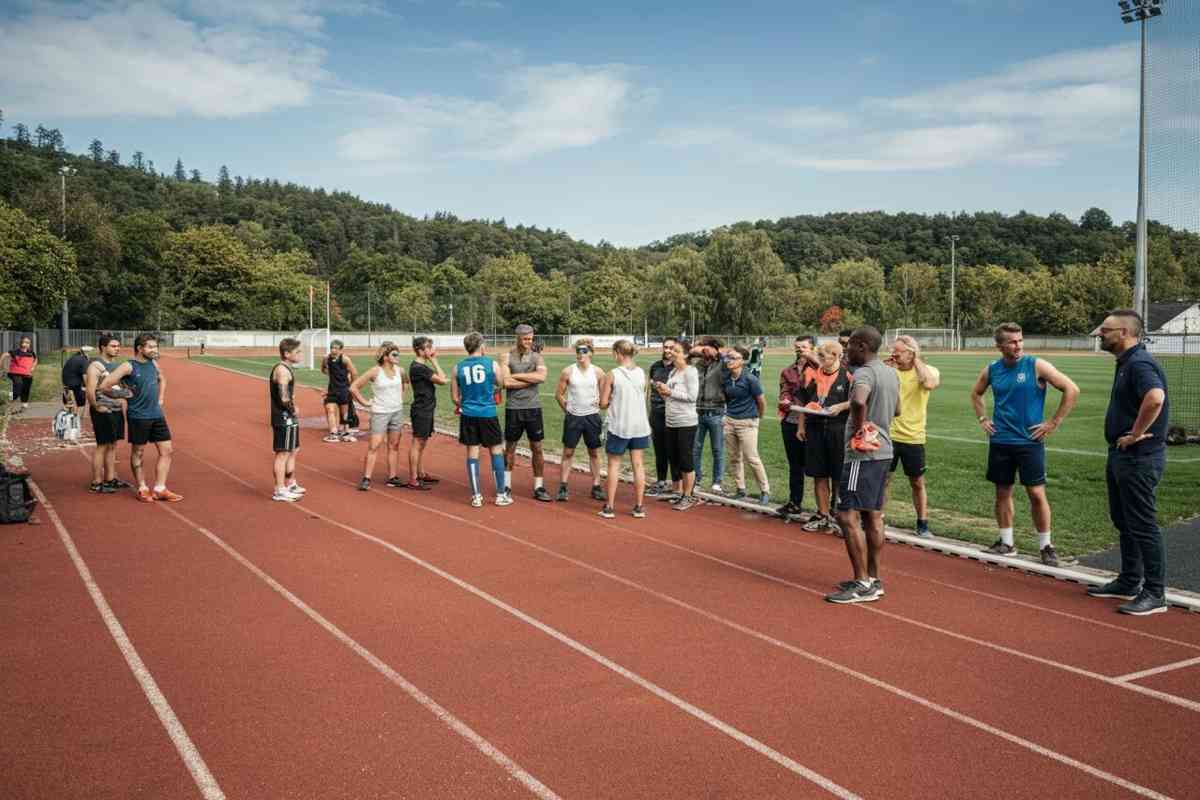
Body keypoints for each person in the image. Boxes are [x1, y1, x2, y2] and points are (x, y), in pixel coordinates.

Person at [970, 322, 1079, 567]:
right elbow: (976, 393)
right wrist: (983, 418)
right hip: (1000, 441)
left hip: (1029, 442)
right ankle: (1006, 543)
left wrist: (1053, 422)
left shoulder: (1036, 365)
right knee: (1002, 492)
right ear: (999, 345)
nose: (1018, 345)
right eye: (1012, 342)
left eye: (1020, 340)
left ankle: (1046, 546)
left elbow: (1071, 389)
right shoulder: (992, 370)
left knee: (1036, 493)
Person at [1090, 310, 1171, 615]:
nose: (1100, 334)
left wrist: (1136, 433)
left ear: (1124, 332)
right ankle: (1129, 580)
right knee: (1124, 521)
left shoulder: (1139, 363)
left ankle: (1154, 592)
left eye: (1106, 330)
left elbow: (1155, 397)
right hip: (1121, 456)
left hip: (1139, 458)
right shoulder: (1126, 362)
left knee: (1142, 524)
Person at [825, 326, 900, 604]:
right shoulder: (891, 373)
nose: (846, 351)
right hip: (884, 452)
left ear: (862, 345)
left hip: (862, 455)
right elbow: (898, 410)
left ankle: (862, 583)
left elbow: (857, 401)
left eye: (850, 346)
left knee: (846, 515)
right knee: (873, 515)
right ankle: (874, 579)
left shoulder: (864, 373)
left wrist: (860, 431)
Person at [99, 333, 182, 503]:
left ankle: (160, 488)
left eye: (156, 347)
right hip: (138, 416)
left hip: (157, 415)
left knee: (167, 451)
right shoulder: (128, 366)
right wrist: (122, 394)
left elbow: (162, 379)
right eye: (151, 347)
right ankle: (142, 487)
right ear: (140, 348)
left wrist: (161, 398)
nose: (154, 350)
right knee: (139, 452)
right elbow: (104, 386)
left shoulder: (153, 363)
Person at [884, 335, 941, 538]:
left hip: (913, 437)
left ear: (911, 353)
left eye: (898, 352)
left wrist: (916, 360)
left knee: (917, 482)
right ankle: (878, 518)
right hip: (888, 434)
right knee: (884, 480)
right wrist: (886, 369)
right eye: (893, 351)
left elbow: (930, 384)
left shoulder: (928, 371)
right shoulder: (890, 371)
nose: (894, 355)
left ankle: (922, 524)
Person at [452, 332, 511, 507]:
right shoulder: (491, 364)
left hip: (469, 414)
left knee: (472, 453)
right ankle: (500, 494)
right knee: (496, 451)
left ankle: (476, 496)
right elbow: (502, 383)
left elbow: (455, 398)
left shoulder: (458, 367)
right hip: (488, 413)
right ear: (481, 346)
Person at [798, 342, 852, 533]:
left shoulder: (848, 375)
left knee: (838, 475)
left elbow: (859, 400)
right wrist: (801, 425)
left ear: (836, 355)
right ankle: (822, 515)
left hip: (838, 430)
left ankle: (838, 516)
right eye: (819, 357)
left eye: (824, 357)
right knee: (818, 475)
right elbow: (806, 401)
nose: (820, 361)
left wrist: (841, 406)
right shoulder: (813, 374)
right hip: (815, 429)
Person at [598, 339, 652, 518]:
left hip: (620, 424)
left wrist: (611, 399)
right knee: (638, 465)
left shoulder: (612, 374)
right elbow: (644, 398)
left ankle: (610, 506)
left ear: (618, 354)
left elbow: (603, 402)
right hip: (639, 425)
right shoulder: (641, 373)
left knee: (614, 464)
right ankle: (638, 506)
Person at [554, 337, 606, 502]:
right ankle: (563, 486)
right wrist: (567, 410)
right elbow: (559, 394)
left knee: (594, 452)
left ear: (591, 353)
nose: (580, 354)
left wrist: (603, 402)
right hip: (574, 418)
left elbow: (606, 395)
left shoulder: (598, 372)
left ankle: (596, 486)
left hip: (592, 417)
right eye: (578, 351)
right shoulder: (568, 371)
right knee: (568, 452)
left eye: (584, 351)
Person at [504, 324, 551, 501]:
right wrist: (530, 380)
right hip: (513, 408)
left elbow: (542, 377)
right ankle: (506, 485)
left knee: (537, 448)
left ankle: (538, 487)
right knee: (510, 448)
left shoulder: (537, 357)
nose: (528, 342)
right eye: (525, 339)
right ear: (517, 337)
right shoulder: (506, 356)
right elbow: (505, 382)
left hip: (533, 408)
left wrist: (515, 376)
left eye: (531, 339)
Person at [350, 342, 407, 491]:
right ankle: (366, 478)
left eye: (398, 354)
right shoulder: (375, 371)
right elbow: (354, 387)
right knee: (374, 446)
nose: (398, 357)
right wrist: (364, 403)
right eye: (394, 354)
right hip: (380, 413)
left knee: (394, 445)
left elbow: (405, 384)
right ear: (386, 356)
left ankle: (392, 477)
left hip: (397, 412)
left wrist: (401, 397)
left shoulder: (400, 370)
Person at [84, 334, 133, 493]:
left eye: (118, 346)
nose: (117, 348)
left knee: (112, 445)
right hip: (103, 411)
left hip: (116, 410)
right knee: (102, 446)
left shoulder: (115, 366)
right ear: (103, 347)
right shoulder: (95, 366)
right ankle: (96, 483)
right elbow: (90, 391)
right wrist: (96, 407)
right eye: (113, 346)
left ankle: (110, 479)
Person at [654, 340, 700, 510]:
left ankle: (688, 496)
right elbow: (670, 397)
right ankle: (679, 492)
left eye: (676, 350)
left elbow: (692, 396)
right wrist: (663, 391)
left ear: (685, 354)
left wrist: (670, 391)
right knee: (674, 457)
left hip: (686, 421)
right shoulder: (673, 371)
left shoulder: (690, 372)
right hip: (671, 420)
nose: (671, 352)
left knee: (686, 459)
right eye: (671, 350)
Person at [721, 346, 770, 504]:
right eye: (728, 357)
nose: (729, 361)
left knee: (752, 458)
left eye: (733, 358)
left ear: (742, 361)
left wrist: (757, 418)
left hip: (747, 423)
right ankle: (740, 489)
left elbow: (761, 401)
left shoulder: (750, 379)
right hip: (730, 421)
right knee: (734, 458)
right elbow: (727, 399)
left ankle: (764, 491)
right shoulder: (726, 378)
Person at [777, 335, 818, 517]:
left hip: (813, 423)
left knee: (819, 467)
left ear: (813, 348)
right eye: (797, 347)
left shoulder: (821, 369)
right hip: (791, 421)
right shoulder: (788, 371)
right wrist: (784, 399)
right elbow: (784, 390)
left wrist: (812, 358)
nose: (800, 349)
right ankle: (795, 502)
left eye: (804, 346)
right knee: (795, 465)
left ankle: (825, 509)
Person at [407, 336, 447, 490]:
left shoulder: (420, 367)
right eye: (429, 348)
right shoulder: (419, 368)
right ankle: (413, 479)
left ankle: (420, 473)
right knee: (417, 443)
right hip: (421, 410)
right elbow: (442, 380)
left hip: (427, 409)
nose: (432, 350)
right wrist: (434, 360)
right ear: (420, 350)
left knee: (422, 443)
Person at [689, 336, 728, 494]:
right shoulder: (697, 364)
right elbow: (686, 356)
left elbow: (730, 354)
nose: (702, 350)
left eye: (705, 347)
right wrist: (696, 351)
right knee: (695, 448)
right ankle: (696, 478)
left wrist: (716, 352)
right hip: (698, 411)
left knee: (717, 449)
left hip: (716, 412)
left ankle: (717, 481)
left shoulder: (722, 364)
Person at [269, 338, 306, 502]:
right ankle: (279, 489)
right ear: (287, 353)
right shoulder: (282, 371)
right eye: (297, 352)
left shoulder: (286, 369)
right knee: (282, 453)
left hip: (288, 417)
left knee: (293, 449)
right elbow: (284, 398)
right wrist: (293, 409)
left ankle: (290, 483)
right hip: (284, 417)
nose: (301, 354)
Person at [646, 337, 677, 497]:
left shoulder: (679, 368)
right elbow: (649, 389)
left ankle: (676, 484)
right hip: (656, 413)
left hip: (672, 413)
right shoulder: (655, 367)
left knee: (673, 449)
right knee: (659, 449)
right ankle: (661, 481)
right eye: (665, 347)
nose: (667, 350)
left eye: (671, 348)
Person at [321, 340, 358, 443]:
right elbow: (323, 369)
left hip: (344, 390)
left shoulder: (345, 359)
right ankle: (334, 434)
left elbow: (354, 373)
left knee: (344, 413)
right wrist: (332, 374)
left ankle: (346, 433)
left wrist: (352, 387)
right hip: (332, 390)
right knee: (330, 410)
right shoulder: (326, 358)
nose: (333, 350)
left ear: (341, 350)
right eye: (332, 348)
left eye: (336, 348)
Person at [2, 336, 38, 414]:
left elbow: (35, 359)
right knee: (17, 388)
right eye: (24, 342)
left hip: (27, 374)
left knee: (26, 389)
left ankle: (24, 405)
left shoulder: (31, 353)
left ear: (29, 344)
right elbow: (4, 355)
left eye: (27, 342)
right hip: (14, 373)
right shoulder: (15, 351)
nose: (25, 344)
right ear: (20, 343)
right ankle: (9, 404)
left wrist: (33, 367)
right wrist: (2, 366)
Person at [62, 346, 92, 417]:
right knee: (81, 404)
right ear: (86, 354)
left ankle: (68, 419)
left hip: (66, 385)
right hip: (76, 387)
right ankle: (78, 419)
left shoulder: (72, 358)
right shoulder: (83, 360)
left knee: (69, 405)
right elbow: (85, 377)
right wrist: (89, 387)